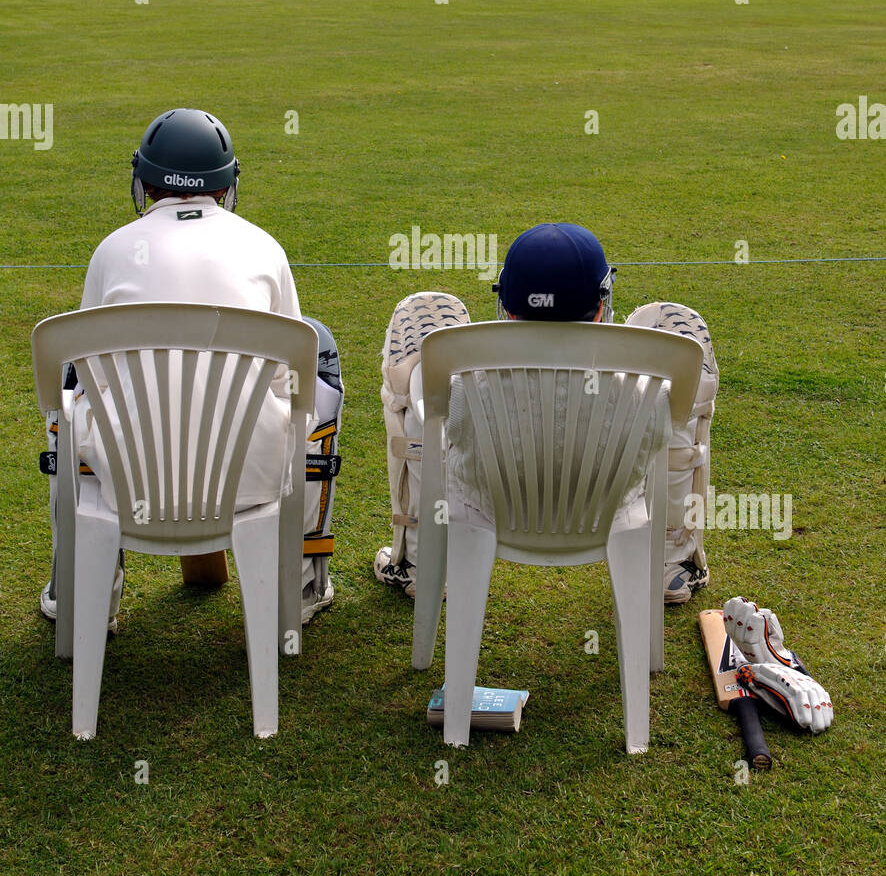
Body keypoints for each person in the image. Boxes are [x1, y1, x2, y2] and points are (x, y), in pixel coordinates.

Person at [39, 108, 342, 633]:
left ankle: (82, 594)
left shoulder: (113, 250)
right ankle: (298, 586)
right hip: (252, 474)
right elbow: (286, 380)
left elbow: (93, 379)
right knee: (320, 355)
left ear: (145, 181)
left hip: (129, 477)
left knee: (68, 386)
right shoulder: (263, 247)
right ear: (226, 184)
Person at [375, 223, 717, 606]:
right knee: (687, 383)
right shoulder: (642, 388)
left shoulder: (465, 385)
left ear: (507, 305)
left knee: (417, 378)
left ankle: (421, 560)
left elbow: (430, 410)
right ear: (601, 303)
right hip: (607, 508)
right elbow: (670, 419)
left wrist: (424, 371)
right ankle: (672, 562)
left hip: (485, 507)